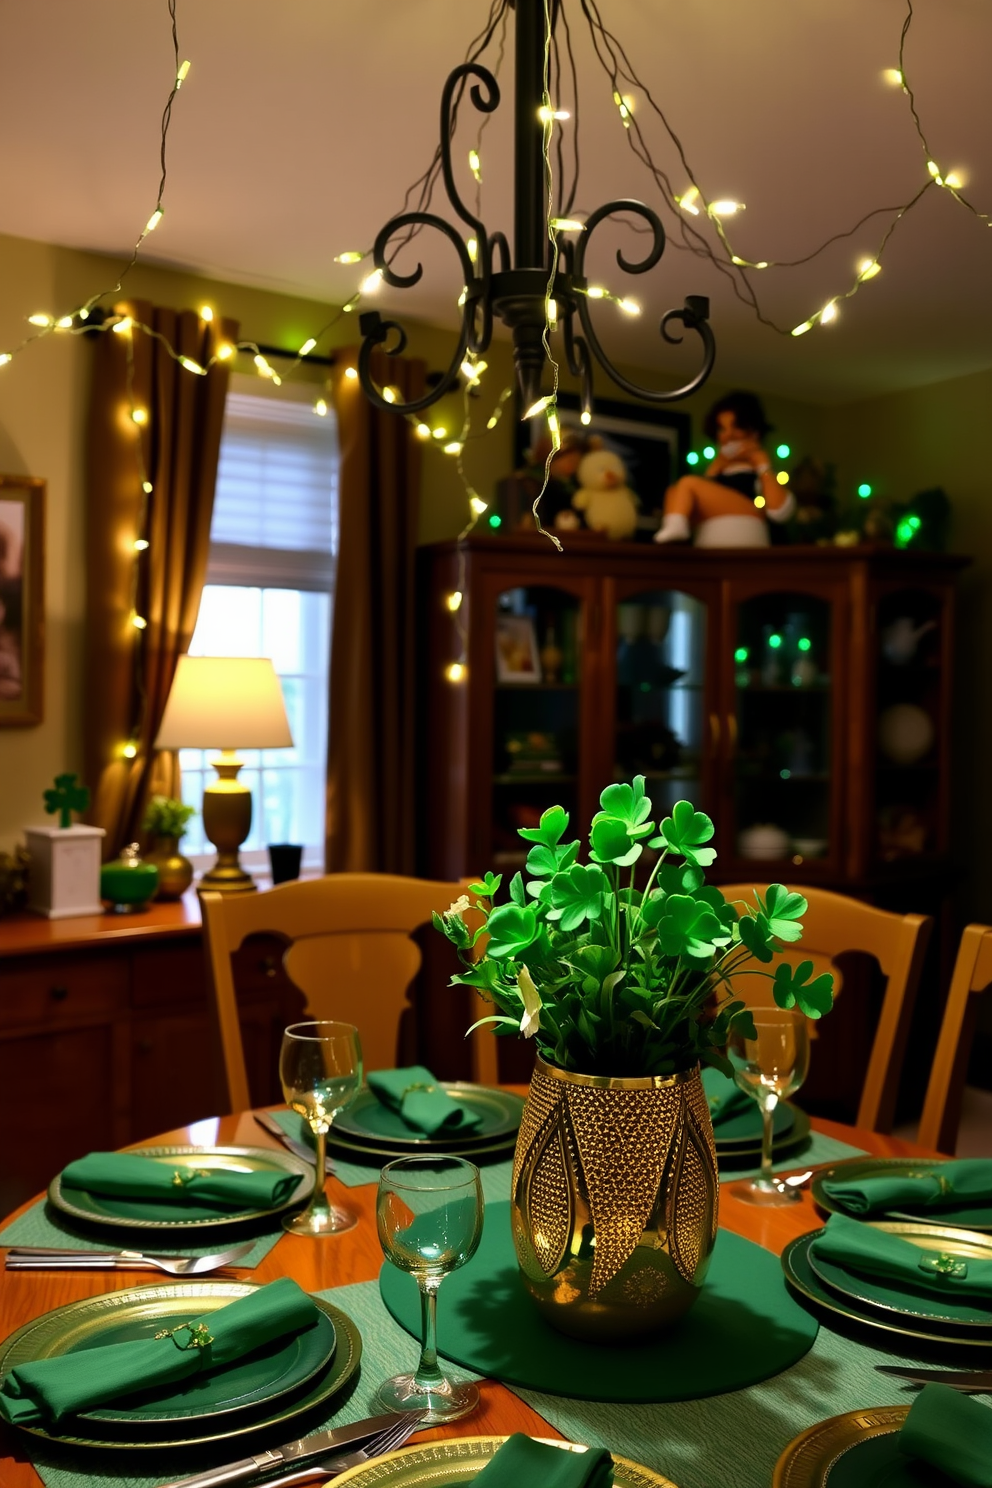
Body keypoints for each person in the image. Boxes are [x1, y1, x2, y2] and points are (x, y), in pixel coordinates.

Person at [653, 391, 795, 547]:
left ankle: (676, 528)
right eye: (722, 429)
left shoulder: (759, 472)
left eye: (736, 427)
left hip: (751, 514)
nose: (728, 436)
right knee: (674, 492)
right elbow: (702, 498)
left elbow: (779, 512)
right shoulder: (717, 469)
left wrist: (762, 464)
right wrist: (716, 467)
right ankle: (676, 532)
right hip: (708, 539)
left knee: (687, 483)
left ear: (753, 432)